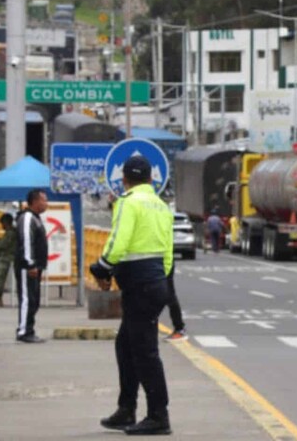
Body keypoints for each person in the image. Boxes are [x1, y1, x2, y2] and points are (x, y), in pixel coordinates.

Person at [91, 155, 174, 436]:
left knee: (144, 352)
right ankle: (126, 409)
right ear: (151, 178)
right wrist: (156, 278)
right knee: (125, 346)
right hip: (155, 283)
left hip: (140, 286)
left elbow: (118, 242)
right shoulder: (161, 206)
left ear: (124, 179)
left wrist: (102, 267)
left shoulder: (128, 202)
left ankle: (158, 415)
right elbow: (167, 253)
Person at [16, 189, 49, 343]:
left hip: (36, 266)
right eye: (44, 200)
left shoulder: (36, 218)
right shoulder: (28, 217)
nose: (46, 203)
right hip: (27, 267)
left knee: (34, 299)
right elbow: (26, 241)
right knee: (27, 298)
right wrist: (30, 264)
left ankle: (29, 329)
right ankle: (24, 331)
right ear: (35, 201)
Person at [0, 213, 17, 307]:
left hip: (6, 258)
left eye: (2, 223)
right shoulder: (11, 232)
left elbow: (3, 245)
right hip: (9, 257)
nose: (2, 225)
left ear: (6, 223)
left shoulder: (10, 233)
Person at [163, 262, 187, 341]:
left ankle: (179, 328)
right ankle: (179, 328)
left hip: (162, 264)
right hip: (159, 263)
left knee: (169, 295)